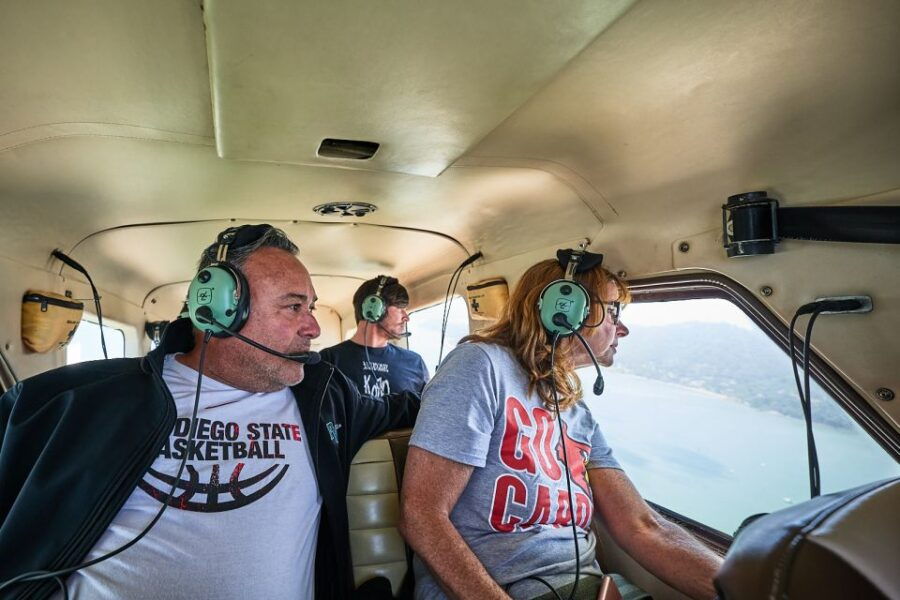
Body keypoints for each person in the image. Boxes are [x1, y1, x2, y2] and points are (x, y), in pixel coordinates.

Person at [0, 225, 419, 600]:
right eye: (294, 307)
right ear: (218, 308)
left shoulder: (327, 398)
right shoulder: (76, 400)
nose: (312, 328)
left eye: (311, 308)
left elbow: (411, 408)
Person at [400, 252, 722, 600]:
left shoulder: (577, 413)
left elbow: (643, 527)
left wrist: (743, 585)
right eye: (613, 311)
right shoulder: (481, 366)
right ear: (565, 310)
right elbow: (421, 514)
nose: (623, 328)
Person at [320, 276, 429, 398]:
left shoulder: (414, 363)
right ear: (374, 307)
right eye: (400, 309)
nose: (406, 317)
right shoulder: (328, 360)